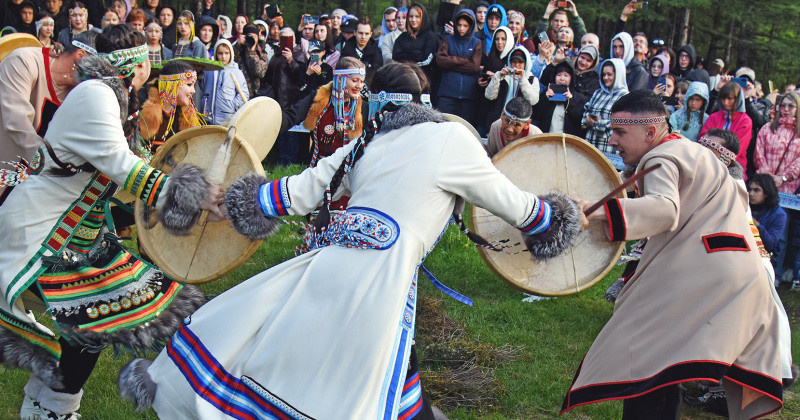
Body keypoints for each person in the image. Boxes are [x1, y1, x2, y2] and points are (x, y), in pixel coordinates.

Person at [118, 60, 583, 420]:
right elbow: (519, 207)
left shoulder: (367, 145)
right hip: (378, 282)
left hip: (330, 262)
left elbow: (297, 191)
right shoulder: (449, 141)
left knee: (357, 362)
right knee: (345, 387)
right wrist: (563, 218)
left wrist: (239, 203)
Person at [1, 24, 215, 420]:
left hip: (72, 231)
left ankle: (47, 405)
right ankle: (50, 407)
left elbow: (108, 179)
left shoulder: (104, 96)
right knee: (93, 318)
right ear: (137, 66)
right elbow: (122, 167)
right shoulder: (97, 95)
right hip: (42, 231)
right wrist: (189, 194)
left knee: (94, 322)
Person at [567, 90, 783, 419]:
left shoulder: (660, 157)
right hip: (741, 273)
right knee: (666, 362)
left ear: (651, 132)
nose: (612, 140)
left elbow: (665, 211)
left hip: (703, 273)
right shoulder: (697, 151)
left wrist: (594, 211)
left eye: (621, 131)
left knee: (642, 353)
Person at [0, 30, 96, 205]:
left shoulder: (81, 94)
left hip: (32, 185)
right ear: (81, 56)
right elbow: (16, 122)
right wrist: (51, 164)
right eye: (98, 69)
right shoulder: (24, 60)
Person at [302, 57, 364, 173]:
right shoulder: (319, 98)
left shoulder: (362, 105)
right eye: (354, 80)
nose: (359, 86)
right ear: (340, 78)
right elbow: (291, 116)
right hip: (320, 168)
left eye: (361, 81)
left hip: (347, 170)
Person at [139, 60, 205, 151]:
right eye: (189, 84)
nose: (193, 91)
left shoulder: (186, 116)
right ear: (172, 85)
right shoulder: (140, 106)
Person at [436, 8, 481, 123]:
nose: (461, 28)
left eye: (465, 26)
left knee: (465, 129)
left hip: (468, 96)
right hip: (447, 94)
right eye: (459, 25)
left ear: (471, 26)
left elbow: (474, 67)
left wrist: (450, 63)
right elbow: (440, 60)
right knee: (443, 126)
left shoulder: (476, 43)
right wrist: (465, 60)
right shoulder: (448, 39)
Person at [700, 81, 753, 169]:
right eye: (723, 98)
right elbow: (703, 138)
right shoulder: (714, 117)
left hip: (734, 166)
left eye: (730, 99)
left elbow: (738, 149)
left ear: (737, 99)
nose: (725, 102)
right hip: (708, 162)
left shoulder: (745, 121)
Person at [392, 4, 440, 101]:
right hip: (405, 84)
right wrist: (417, 53)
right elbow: (396, 56)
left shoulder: (431, 37)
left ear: (423, 18)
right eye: (411, 16)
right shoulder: (402, 38)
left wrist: (406, 56)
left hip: (425, 85)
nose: (413, 20)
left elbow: (426, 59)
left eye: (417, 17)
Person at [485, 46, 540, 130]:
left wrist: (523, 80)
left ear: (526, 63)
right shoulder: (503, 76)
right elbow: (489, 96)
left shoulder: (532, 79)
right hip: (500, 120)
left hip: (519, 124)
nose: (517, 65)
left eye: (520, 62)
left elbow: (533, 100)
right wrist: (498, 77)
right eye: (514, 62)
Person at [582, 58, 628, 154]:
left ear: (618, 75)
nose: (605, 78)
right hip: (592, 144)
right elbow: (586, 111)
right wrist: (587, 119)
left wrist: (596, 123)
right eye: (603, 74)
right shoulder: (598, 93)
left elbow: (620, 124)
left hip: (609, 148)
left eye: (609, 74)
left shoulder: (624, 96)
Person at [199, 39, 248, 126]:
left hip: (227, 119)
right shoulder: (209, 70)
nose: (223, 57)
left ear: (231, 54)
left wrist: (232, 107)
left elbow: (243, 94)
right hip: (208, 117)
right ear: (216, 54)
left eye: (226, 53)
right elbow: (202, 88)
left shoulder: (236, 72)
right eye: (220, 53)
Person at [536, 60, 588, 136]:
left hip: (568, 142)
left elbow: (580, 120)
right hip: (548, 139)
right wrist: (545, 99)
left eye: (566, 75)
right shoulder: (546, 93)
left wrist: (571, 101)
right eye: (559, 75)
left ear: (571, 78)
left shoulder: (579, 97)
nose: (562, 78)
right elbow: (536, 115)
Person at [747, 173, 787, 256]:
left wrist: (756, 225)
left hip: (764, 256)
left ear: (767, 193)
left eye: (756, 190)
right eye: (749, 189)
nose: (751, 194)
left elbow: (770, 245)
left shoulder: (779, 214)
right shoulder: (743, 206)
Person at [340, 17, 383, 81]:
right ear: (355, 32)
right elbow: (341, 69)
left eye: (366, 34)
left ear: (370, 34)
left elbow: (378, 72)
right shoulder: (347, 49)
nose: (363, 37)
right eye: (360, 33)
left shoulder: (376, 51)